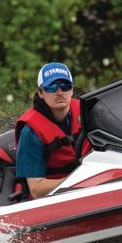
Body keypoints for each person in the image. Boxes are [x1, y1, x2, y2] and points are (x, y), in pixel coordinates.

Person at [14, 61, 91, 199]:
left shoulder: (88, 111)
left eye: (65, 86)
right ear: (41, 93)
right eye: (51, 87)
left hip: (91, 184)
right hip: (52, 199)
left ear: (72, 90)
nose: (59, 92)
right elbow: (36, 189)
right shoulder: (30, 132)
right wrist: (80, 181)